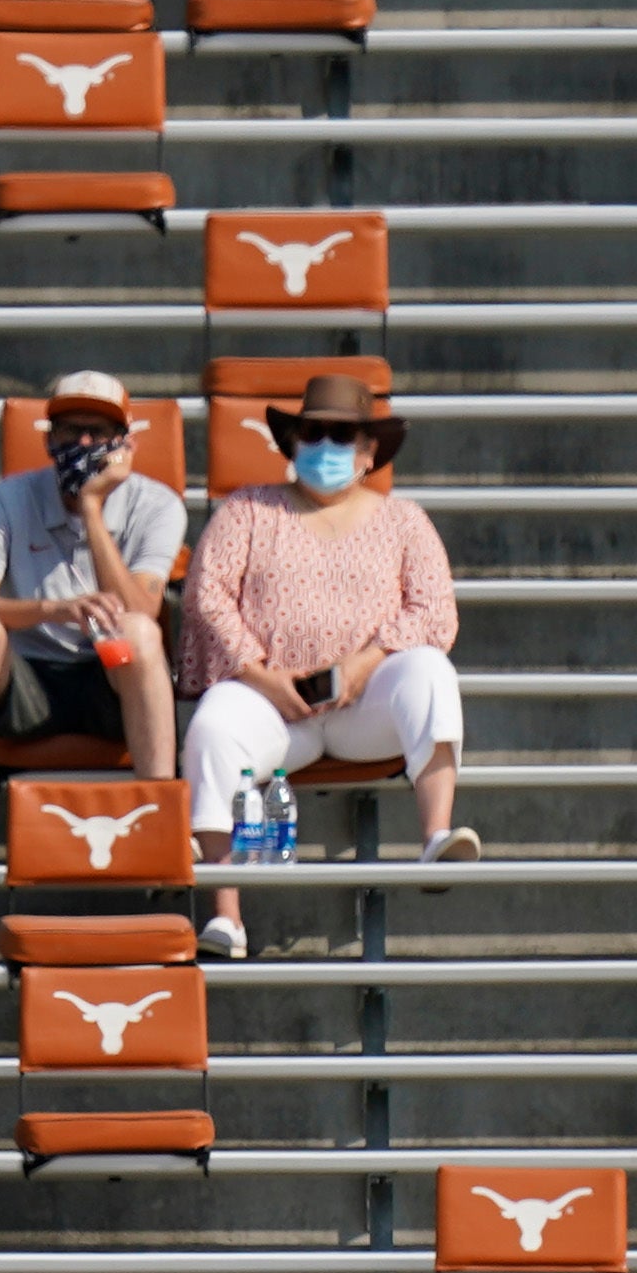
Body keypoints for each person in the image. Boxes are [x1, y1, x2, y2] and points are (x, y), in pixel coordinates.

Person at [177, 370, 468, 958]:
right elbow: (207, 598)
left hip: (367, 703)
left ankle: (436, 833)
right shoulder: (246, 511)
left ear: (367, 454)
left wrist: (366, 663)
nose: (326, 448)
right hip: (271, 703)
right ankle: (226, 916)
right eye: (314, 433)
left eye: (342, 437)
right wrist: (260, 674)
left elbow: (433, 607)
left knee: (432, 672)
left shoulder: (404, 519)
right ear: (292, 443)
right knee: (213, 724)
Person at [0, 369, 183, 873]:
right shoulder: (9, 498)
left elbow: (141, 609)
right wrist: (52, 609)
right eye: (69, 431)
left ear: (123, 443)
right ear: (48, 438)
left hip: (112, 677)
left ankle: (158, 825)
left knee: (141, 634)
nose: (83, 443)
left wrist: (91, 507)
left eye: (98, 433)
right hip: (29, 682)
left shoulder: (156, 504)